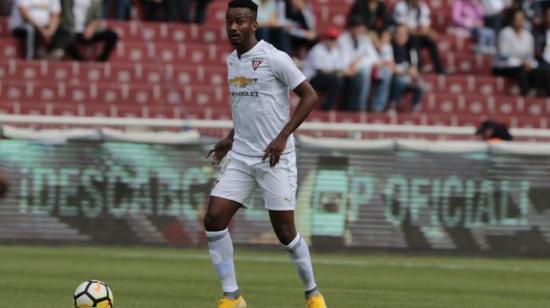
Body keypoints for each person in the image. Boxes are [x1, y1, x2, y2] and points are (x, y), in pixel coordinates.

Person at [204, 1, 326, 308]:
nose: (234, 27)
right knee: (214, 218)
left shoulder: (275, 58)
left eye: (241, 21)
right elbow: (246, 107)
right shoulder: (232, 61)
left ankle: (313, 293)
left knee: (285, 232)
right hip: (243, 156)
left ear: (254, 25)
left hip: (275, 157)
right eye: (230, 21)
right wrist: (230, 138)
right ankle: (232, 297)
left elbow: (310, 96)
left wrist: (283, 137)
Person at [338, 16, 391, 112]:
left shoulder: (364, 38)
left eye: (362, 28)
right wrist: (361, 60)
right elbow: (346, 62)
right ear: (351, 28)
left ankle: (377, 107)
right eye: (358, 28)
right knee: (366, 71)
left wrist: (360, 61)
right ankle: (360, 107)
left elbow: (375, 59)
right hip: (348, 72)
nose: (361, 30)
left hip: (358, 68)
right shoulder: (343, 39)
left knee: (386, 72)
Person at [492, 8, 549, 96]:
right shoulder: (505, 33)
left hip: (524, 64)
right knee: (521, 70)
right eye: (517, 19)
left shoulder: (528, 35)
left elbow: (530, 56)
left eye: (522, 19)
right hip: (505, 65)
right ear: (512, 19)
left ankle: (541, 92)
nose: (520, 21)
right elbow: (504, 55)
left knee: (542, 69)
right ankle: (526, 93)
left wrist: (529, 63)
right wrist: (521, 62)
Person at [392, 0, 446, 74]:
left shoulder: (423, 7)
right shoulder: (401, 6)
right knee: (414, 40)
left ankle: (439, 69)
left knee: (430, 41)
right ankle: (419, 66)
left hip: (415, 34)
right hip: (401, 35)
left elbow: (425, 27)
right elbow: (403, 26)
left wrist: (426, 32)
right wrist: (420, 32)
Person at [303, 26, 346, 111]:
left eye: (334, 39)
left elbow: (341, 68)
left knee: (342, 80)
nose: (332, 41)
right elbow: (321, 71)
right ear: (324, 38)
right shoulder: (317, 49)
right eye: (330, 38)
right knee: (337, 80)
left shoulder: (336, 51)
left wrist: (339, 72)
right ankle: (326, 108)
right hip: (312, 79)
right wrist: (338, 73)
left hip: (328, 78)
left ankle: (346, 108)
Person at [389, 25, 424, 111]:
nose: (401, 37)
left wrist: (412, 74)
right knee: (400, 80)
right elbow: (392, 68)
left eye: (403, 34)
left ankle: (414, 109)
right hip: (393, 77)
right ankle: (393, 105)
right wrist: (406, 71)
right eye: (399, 34)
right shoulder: (389, 47)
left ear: (407, 37)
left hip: (407, 78)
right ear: (394, 35)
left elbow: (414, 69)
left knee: (421, 85)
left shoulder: (411, 50)